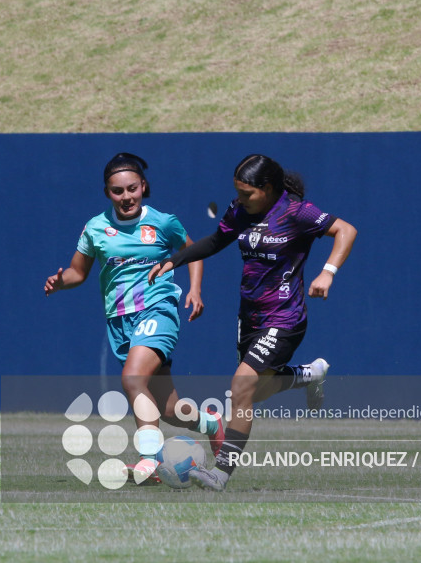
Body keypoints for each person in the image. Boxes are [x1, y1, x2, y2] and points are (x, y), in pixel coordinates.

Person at [148, 153, 357, 491]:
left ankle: (220, 474)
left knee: (241, 386)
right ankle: (309, 374)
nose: (240, 200)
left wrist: (327, 273)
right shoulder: (240, 212)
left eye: (247, 194)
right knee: (255, 392)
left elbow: (346, 230)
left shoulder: (296, 211)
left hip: (285, 318)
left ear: (269, 188)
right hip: (250, 318)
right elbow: (216, 242)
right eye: (238, 192)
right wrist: (174, 262)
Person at [44, 152, 224, 484]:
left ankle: (150, 460)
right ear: (107, 193)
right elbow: (77, 272)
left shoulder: (163, 222)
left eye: (132, 189)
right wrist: (59, 283)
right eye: (117, 191)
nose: (126, 197)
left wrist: (195, 290)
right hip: (120, 321)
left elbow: (194, 252)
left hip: (158, 310)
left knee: (132, 380)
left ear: (143, 186)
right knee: (169, 410)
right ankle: (211, 424)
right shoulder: (96, 228)